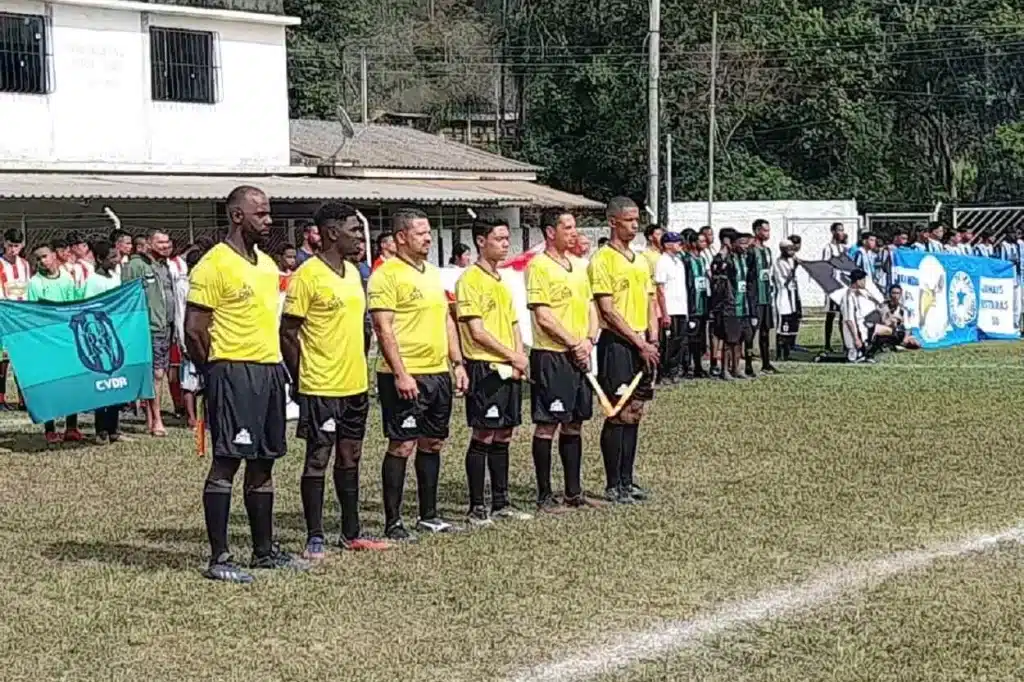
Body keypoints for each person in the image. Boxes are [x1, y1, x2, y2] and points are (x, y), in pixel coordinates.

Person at [186, 185, 307, 583]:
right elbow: (195, 331)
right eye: (261, 214)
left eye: (269, 213)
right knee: (227, 461)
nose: (269, 220)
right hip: (232, 371)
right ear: (237, 216)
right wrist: (216, 372)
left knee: (263, 461)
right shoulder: (213, 265)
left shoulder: (268, 267)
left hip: (268, 370)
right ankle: (220, 557)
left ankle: (263, 551)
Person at [281, 202, 390, 558]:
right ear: (331, 233)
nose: (361, 237)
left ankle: (351, 531)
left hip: (355, 383)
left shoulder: (355, 272)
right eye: (354, 230)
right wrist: (301, 378)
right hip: (320, 385)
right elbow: (288, 333)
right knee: (318, 457)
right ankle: (314, 536)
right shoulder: (307, 275)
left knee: (351, 456)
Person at [368, 208, 469, 541]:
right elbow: (383, 328)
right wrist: (401, 374)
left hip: (437, 373)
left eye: (429, 233)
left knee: (433, 442)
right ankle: (393, 521)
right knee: (402, 444)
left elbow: (445, 321)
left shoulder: (431, 274)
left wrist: (457, 363)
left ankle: (429, 514)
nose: (428, 238)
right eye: (420, 233)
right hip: (405, 374)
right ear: (401, 237)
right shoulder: (386, 275)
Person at [455, 219, 532, 526]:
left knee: (505, 433)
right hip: (485, 366)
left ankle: (501, 501)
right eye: (498, 238)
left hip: (508, 366)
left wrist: (518, 357)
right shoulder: (469, 280)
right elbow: (477, 332)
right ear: (480, 241)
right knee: (483, 433)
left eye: (506, 238)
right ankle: (476, 506)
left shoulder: (501, 280)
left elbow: (513, 323)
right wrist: (512, 355)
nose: (505, 244)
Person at [525, 209, 602, 512]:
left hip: (580, 353)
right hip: (552, 356)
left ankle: (574, 491)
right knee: (548, 425)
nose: (573, 232)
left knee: (575, 423)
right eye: (567, 227)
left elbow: (592, 306)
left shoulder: (581, 266)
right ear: (549, 232)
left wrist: (588, 339)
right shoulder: (539, 267)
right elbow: (543, 316)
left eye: (574, 227)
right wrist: (572, 342)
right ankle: (544, 494)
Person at [588, 197, 659, 504]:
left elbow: (649, 301)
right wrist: (638, 341)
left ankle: (628, 480)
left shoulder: (641, 260)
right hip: (617, 344)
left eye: (637, 219)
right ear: (613, 222)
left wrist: (653, 338)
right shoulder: (602, 259)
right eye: (629, 220)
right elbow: (608, 310)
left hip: (643, 344)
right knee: (617, 411)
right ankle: (613, 482)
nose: (635, 225)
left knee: (636, 412)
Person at [27, 244, 83, 446]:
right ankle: (49, 429)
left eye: (45, 256)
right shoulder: (34, 283)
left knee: (71, 383)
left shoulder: (67, 279)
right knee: (49, 385)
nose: (42, 261)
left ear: (54, 256)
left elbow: (73, 307)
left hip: (67, 339)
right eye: (38, 258)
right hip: (46, 341)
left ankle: (71, 426)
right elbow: (34, 313)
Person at [122, 229, 174, 438]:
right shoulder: (136, 266)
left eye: (167, 242)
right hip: (147, 327)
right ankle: (156, 419)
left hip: (166, 326)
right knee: (157, 374)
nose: (165, 245)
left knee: (159, 373)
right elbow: (127, 297)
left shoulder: (162, 266)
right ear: (149, 244)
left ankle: (151, 418)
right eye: (160, 242)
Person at [82, 239, 124, 444]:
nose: (117, 260)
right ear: (100, 259)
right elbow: (89, 308)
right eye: (112, 257)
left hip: (116, 334)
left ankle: (114, 427)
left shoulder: (115, 277)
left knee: (116, 381)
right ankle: (101, 429)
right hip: (100, 337)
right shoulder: (93, 281)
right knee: (103, 381)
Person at [714, 232, 754, 380]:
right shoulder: (728, 259)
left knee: (739, 340)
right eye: (741, 243)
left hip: (743, 305)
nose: (744, 246)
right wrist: (724, 249)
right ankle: (724, 370)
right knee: (729, 340)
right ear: (734, 244)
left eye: (746, 243)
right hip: (730, 305)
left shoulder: (744, 259)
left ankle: (736, 368)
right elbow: (717, 266)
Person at [0, 228, 30, 410]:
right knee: (3, 360)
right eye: (10, 245)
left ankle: (22, 398)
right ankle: (1, 397)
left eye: (16, 246)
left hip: (21, 318)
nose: (13, 250)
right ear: (4, 243)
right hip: (4, 316)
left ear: (22, 246)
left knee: (22, 358)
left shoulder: (25, 265)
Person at [653, 232, 688, 383]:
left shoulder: (679, 262)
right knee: (667, 343)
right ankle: (663, 373)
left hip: (681, 308)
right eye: (676, 242)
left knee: (679, 342)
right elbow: (660, 290)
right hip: (670, 309)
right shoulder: (662, 262)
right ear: (667, 244)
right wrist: (664, 313)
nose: (680, 245)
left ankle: (674, 371)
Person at [747, 219, 777, 375]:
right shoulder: (751, 251)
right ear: (757, 231)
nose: (767, 234)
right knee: (751, 333)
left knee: (765, 331)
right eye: (765, 230)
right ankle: (748, 364)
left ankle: (766, 363)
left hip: (766, 297)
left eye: (768, 230)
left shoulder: (768, 251)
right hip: (755, 298)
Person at [708, 228, 736, 377]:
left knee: (729, 335)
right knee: (719, 333)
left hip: (730, 302)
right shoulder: (719, 259)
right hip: (721, 303)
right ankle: (716, 364)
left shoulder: (733, 258)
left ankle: (730, 366)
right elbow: (717, 283)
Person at [682, 229, 710, 378]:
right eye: (701, 241)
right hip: (692, 305)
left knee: (700, 338)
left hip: (703, 304)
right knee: (690, 338)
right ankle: (688, 366)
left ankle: (699, 366)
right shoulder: (686, 260)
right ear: (693, 243)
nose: (704, 244)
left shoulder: (702, 259)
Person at [773, 239, 802, 361]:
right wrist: (794, 268)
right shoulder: (779, 263)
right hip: (784, 298)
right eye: (788, 248)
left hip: (793, 297)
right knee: (783, 327)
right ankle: (780, 353)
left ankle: (788, 352)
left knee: (792, 325)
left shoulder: (791, 261)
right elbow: (784, 281)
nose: (792, 250)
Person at [821, 222, 847, 352]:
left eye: (842, 230)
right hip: (833, 286)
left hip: (844, 286)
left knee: (844, 315)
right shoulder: (828, 248)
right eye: (839, 230)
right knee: (831, 315)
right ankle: (827, 343)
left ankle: (845, 342)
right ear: (833, 231)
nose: (841, 233)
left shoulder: (844, 248)